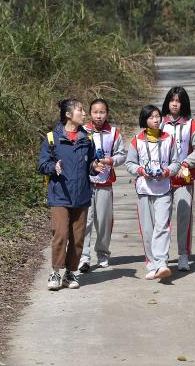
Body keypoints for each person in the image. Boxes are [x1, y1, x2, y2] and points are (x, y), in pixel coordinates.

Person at [38, 97, 104, 291]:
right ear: (68, 114)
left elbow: (90, 163)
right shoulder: (52, 138)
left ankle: (70, 273)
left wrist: (94, 167)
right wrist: (53, 167)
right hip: (60, 195)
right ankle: (55, 272)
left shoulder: (87, 138)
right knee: (60, 233)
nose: (84, 113)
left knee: (77, 237)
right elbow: (42, 165)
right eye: (80, 110)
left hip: (81, 195)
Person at [125, 104, 181, 280]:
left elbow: (176, 162)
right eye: (151, 117)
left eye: (158, 116)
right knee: (148, 229)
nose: (156, 120)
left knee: (162, 226)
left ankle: (162, 263)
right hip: (144, 190)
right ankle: (152, 263)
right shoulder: (137, 141)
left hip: (164, 189)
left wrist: (167, 172)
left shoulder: (169, 139)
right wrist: (141, 171)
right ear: (144, 120)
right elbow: (129, 164)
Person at [161, 85, 195, 271]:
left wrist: (187, 163)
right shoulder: (159, 123)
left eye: (178, 101)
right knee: (161, 219)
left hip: (183, 180)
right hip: (161, 180)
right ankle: (161, 256)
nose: (174, 104)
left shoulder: (191, 125)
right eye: (172, 100)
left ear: (184, 104)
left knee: (183, 217)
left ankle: (183, 254)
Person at [79, 97, 126, 272]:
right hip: (86, 184)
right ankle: (83, 257)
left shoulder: (113, 133)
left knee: (104, 221)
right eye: (95, 112)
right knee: (85, 221)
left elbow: (122, 155)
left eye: (102, 112)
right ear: (90, 113)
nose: (98, 116)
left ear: (107, 114)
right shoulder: (82, 131)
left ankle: (102, 253)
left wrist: (110, 160)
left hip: (105, 183)